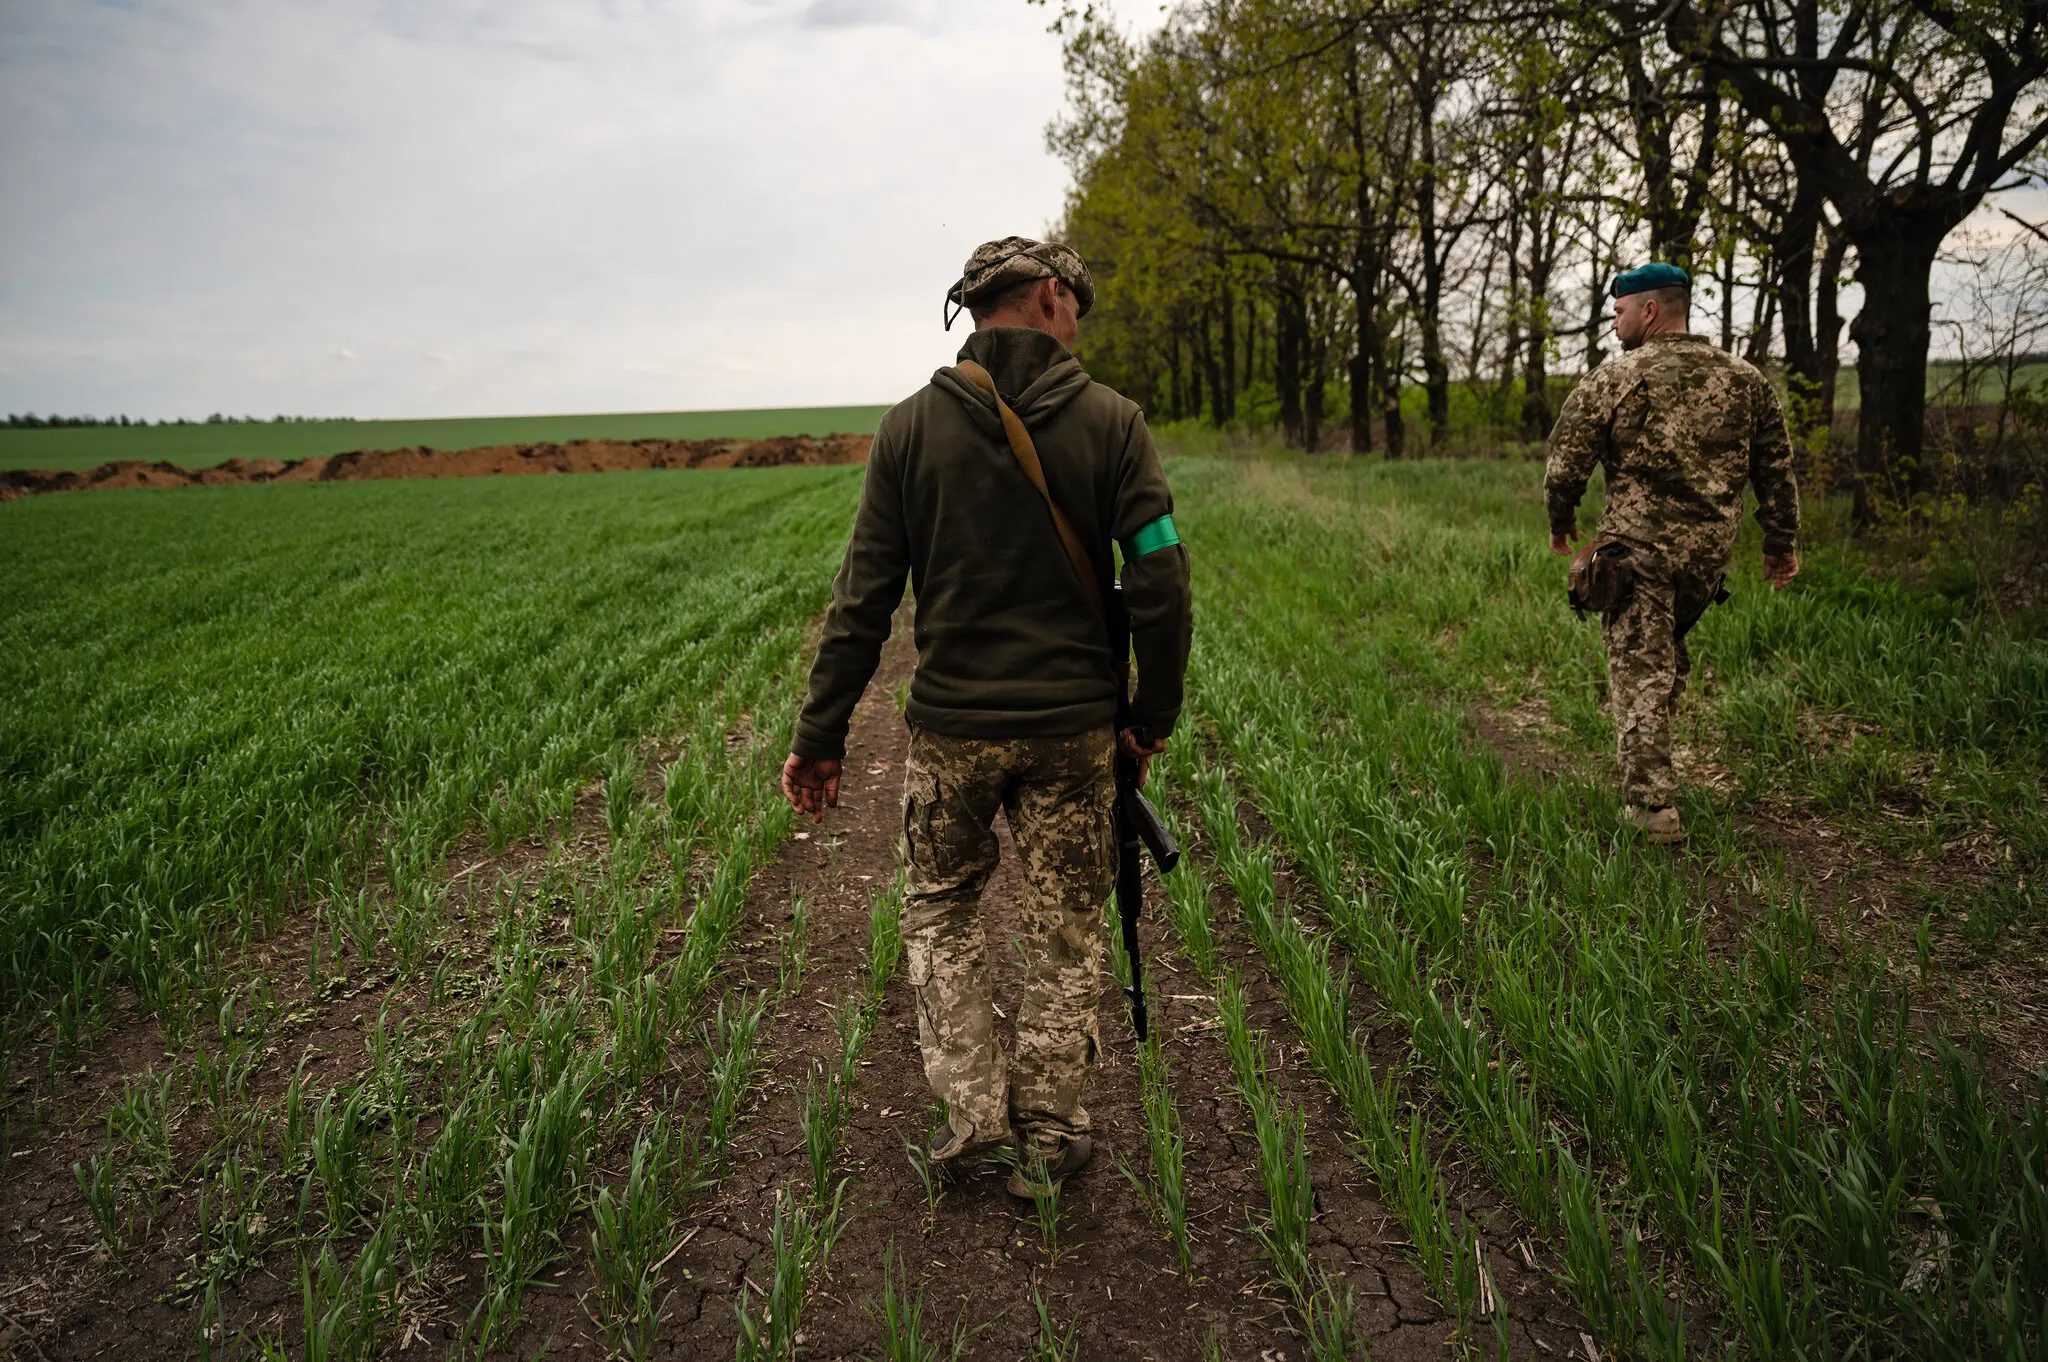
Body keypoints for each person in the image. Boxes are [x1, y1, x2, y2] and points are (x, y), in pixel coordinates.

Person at [779, 236, 1193, 1196]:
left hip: (953, 734)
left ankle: (975, 1119)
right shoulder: (1115, 424)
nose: (1077, 322)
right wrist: (1150, 714)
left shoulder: (907, 431)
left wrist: (821, 736)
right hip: (1073, 735)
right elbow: (1161, 575)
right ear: (1048, 296)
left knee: (941, 909)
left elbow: (862, 603)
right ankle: (1050, 1136)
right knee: (1063, 924)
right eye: (1075, 304)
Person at [1545, 262, 1801, 844]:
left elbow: (1564, 469)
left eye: (1619, 312)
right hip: (1707, 563)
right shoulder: (1746, 379)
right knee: (1661, 664)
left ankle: (1652, 809)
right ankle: (1653, 760)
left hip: (1637, 557)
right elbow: (1777, 471)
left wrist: (1562, 523)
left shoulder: (1613, 379)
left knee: (1639, 672)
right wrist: (1780, 544)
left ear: (1650, 311)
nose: (1614, 324)